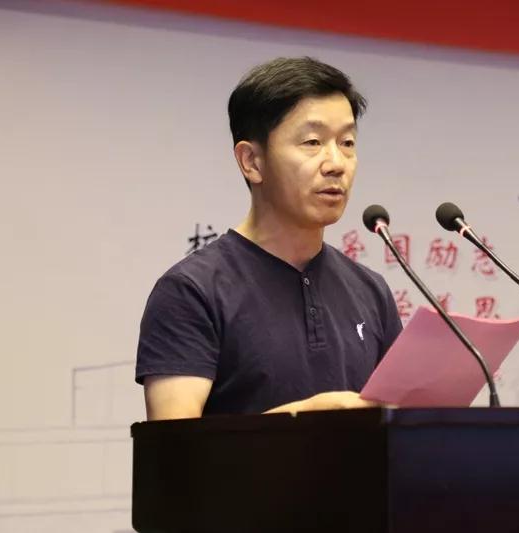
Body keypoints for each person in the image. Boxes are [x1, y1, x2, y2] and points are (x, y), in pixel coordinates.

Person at [135, 57, 402, 419]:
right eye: (312, 142)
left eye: (347, 142)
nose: (336, 163)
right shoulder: (192, 291)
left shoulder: (371, 291)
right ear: (251, 161)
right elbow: (173, 444)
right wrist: (301, 419)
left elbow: (397, 425)